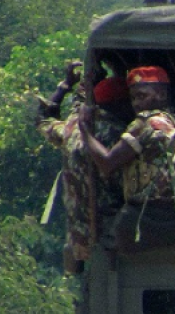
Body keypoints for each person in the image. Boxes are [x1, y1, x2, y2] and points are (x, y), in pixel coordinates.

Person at [81, 65, 175, 253]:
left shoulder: (147, 122)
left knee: (106, 236)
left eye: (142, 96)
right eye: (133, 98)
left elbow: (107, 163)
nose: (137, 104)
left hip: (150, 221)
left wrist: (85, 131)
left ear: (162, 95)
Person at [37, 61, 131, 273]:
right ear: (121, 104)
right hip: (111, 237)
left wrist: (65, 85)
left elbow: (43, 119)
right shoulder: (121, 136)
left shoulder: (72, 128)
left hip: (79, 242)